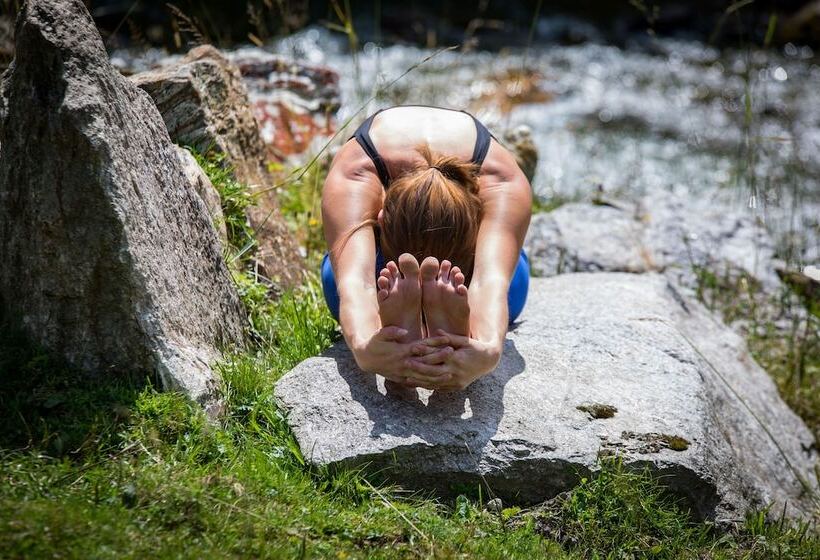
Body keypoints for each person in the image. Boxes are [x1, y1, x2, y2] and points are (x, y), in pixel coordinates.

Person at [321, 105, 532, 391]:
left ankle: (398, 320)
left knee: (336, 279)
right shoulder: (504, 178)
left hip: (396, 273)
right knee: (512, 286)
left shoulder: (355, 171)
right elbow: (488, 281)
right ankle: (454, 319)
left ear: (382, 219)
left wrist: (364, 345)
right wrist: (489, 348)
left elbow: (356, 282)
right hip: (458, 274)